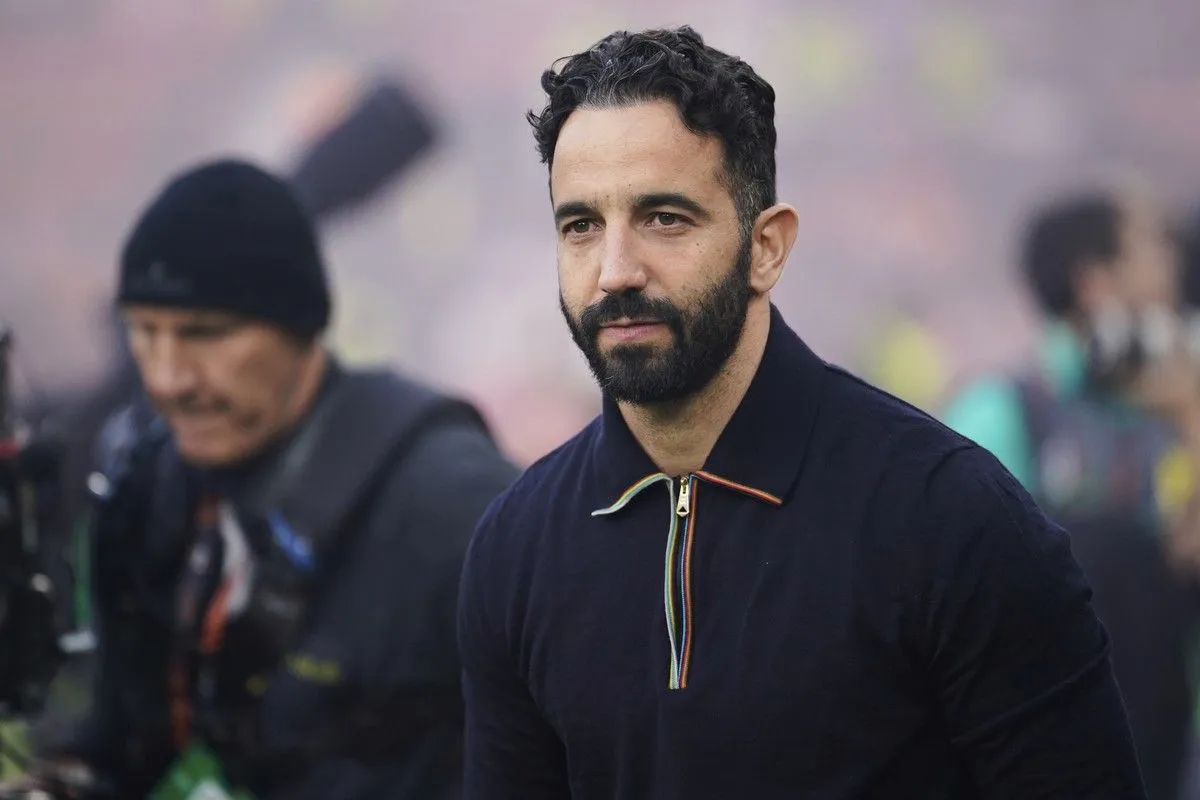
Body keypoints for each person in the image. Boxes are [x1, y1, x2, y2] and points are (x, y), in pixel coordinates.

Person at [456, 25, 1147, 799]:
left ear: (768, 248)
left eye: (664, 218)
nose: (615, 270)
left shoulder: (951, 518)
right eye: (581, 225)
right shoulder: (516, 547)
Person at [14, 159, 519, 799]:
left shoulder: (454, 507)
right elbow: (123, 743)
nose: (166, 379)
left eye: (205, 335)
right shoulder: (155, 488)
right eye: (144, 333)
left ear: (301, 328)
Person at [942, 190, 1200, 800]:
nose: (1173, 266)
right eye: (1150, 249)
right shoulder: (1002, 412)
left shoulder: (1177, 403)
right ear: (1096, 283)